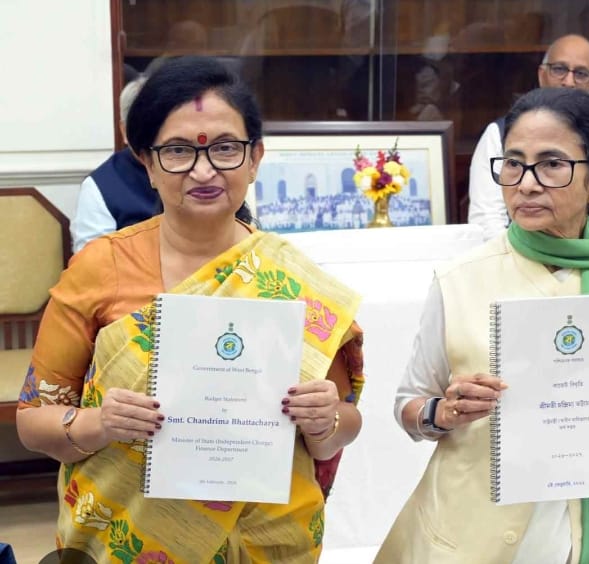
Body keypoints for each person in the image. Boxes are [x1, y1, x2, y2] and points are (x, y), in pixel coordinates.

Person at [16, 56, 364, 563]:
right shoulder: (101, 268)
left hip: (265, 541)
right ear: (147, 162)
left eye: (225, 148)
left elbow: (343, 426)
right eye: (178, 150)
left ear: (255, 157)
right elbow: (33, 422)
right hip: (128, 540)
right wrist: (100, 424)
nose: (204, 171)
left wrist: (324, 419)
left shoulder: (295, 281)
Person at [375, 87, 589, 563]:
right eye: (514, 164)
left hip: (587, 536)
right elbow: (408, 404)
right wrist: (442, 412)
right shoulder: (461, 279)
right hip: (469, 535)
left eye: (552, 164)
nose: (527, 184)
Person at [467, 34, 589, 251]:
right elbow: (486, 218)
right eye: (559, 69)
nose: (568, 82)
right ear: (542, 74)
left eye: (581, 73)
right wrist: (518, 264)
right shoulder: (500, 133)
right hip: (517, 257)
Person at [70, 76, 159, 253]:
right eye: (145, 126)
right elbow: (93, 261)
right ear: (124, 131)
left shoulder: (195, 169)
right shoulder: (100, 186)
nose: (155, 136)